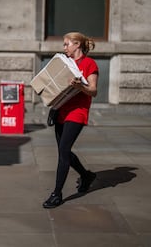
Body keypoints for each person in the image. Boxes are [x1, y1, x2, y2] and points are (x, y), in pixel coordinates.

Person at [43, 32, 99, 208]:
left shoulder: (90, 64)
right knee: (63, 151)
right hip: (62, 110)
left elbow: (93, 90)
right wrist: (53, 108)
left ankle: (56, 194)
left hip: (77, 112)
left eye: (67, 44)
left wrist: (80, 86)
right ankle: (87, 175)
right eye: (64, 44)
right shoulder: (65, 64)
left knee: (64, 151)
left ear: (77, 45)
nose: (64, 47)